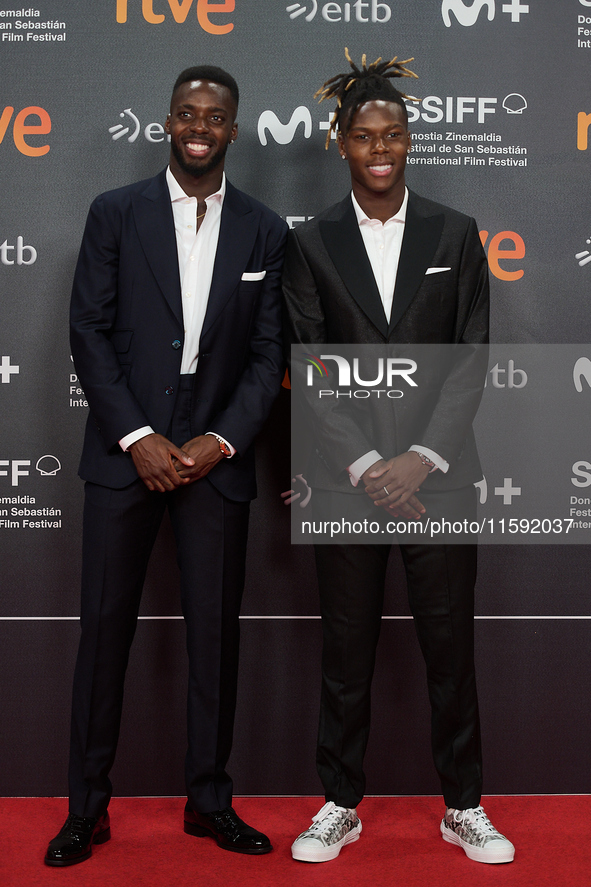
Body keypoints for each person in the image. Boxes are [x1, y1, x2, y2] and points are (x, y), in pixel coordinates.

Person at [45, 65, 287, 866]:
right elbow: (90, 331)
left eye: (213, 116)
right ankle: (86, 806)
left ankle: (208, 800)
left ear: (234, 131)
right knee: (103, 634)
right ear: (167, 122)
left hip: (214, 459)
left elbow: (267, 357)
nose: (197, 126)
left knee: (214, 640)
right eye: (186, 112)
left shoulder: (263, 229)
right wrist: (137, 436)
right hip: (127, 455)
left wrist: (219, 441)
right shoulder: (115, 213)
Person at [282, 50, 514, 865]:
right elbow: (310, 366)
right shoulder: (309, 243)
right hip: (347, 486)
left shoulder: (456, 232)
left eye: (393, 133)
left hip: (440, 480)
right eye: (362, 135)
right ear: (339, 144)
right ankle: (339, 802)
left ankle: (463, 805)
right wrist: (368, 467)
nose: (379, 147)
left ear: (409, 140)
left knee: (450, 650)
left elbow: (471, 355)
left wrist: (417, 457)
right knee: (345, 655)